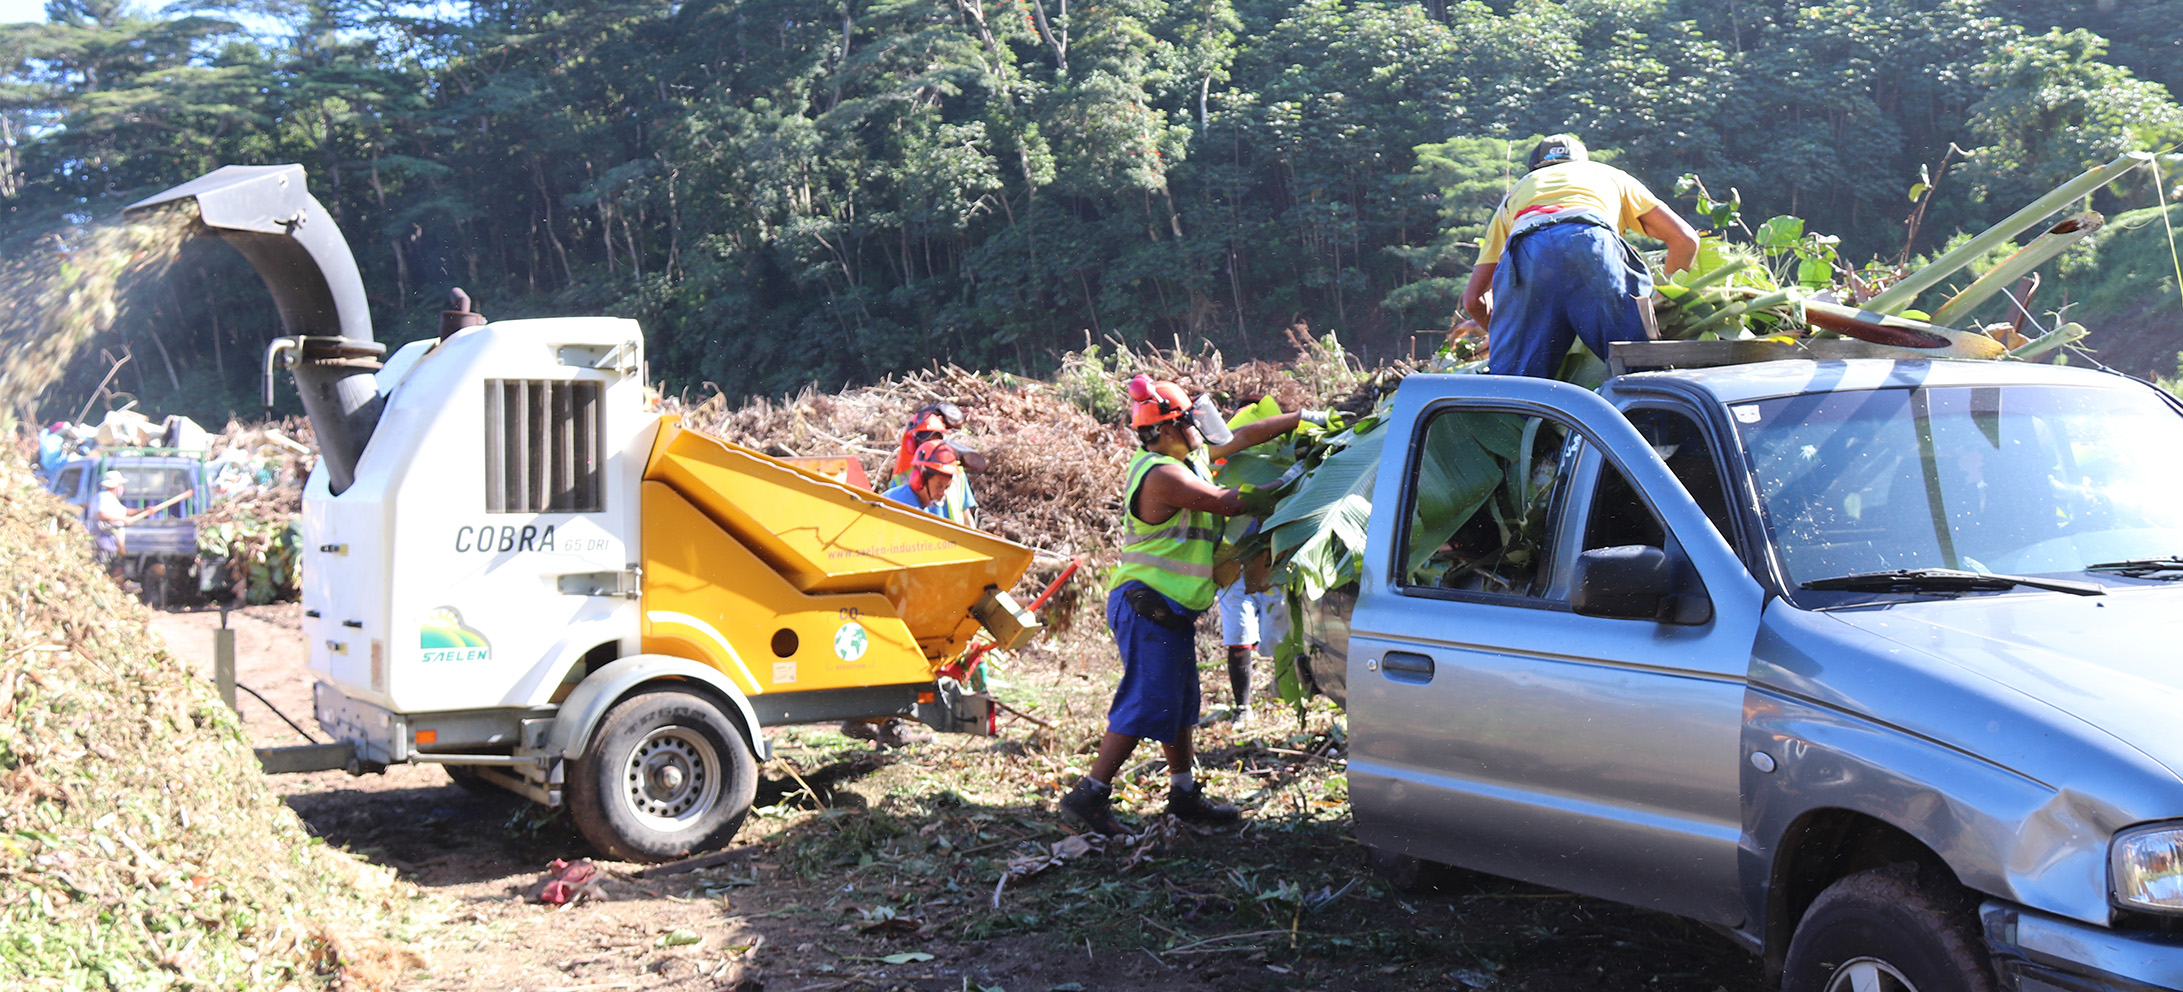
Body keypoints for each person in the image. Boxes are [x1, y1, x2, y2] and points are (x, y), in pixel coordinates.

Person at [1057, 376, 1322, 838]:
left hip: (1169, 608)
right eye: (1191, 425)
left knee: (1179, 704)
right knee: (1146, 701)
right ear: (1166, 429)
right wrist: (1296, 478)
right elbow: (1230, 503)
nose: (1201, 434)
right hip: (1146, 605)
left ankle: (1183, 795)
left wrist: (1305, 421)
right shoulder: (1162, 474)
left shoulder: (1186, 456)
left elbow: (1240, 437)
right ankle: (1089, 795)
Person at [1460, 134, 1700, 379]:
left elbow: (1473, 301)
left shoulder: (1514, 197)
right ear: (1582, 162)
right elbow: (1685, 239)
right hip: (1592, 243)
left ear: (1535, 169)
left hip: (1527, 251)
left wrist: (1510, 335)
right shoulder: (1608, 175)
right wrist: (1663, 299)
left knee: (1515, 387)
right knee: (1638, 370)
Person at [888, 406, 985, 527]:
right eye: (927, 441)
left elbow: (966, 515)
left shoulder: (956, 472)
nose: (943, 492)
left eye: (936, 440)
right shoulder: (901, 481)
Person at [880, 439, 965, 522]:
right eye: (939, 486)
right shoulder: (905, 506)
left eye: (947, 487)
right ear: (920, 479)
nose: (943, 493)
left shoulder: (920, 505)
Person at [87, 470, 129, 571]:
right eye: (120, 485)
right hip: (104, 543)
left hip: (111, 545)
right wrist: (123, 519)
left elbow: (125, 511)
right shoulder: (103, 497)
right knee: (109, 570)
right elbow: (100, 514)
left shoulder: (112, 499)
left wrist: (144, 510)